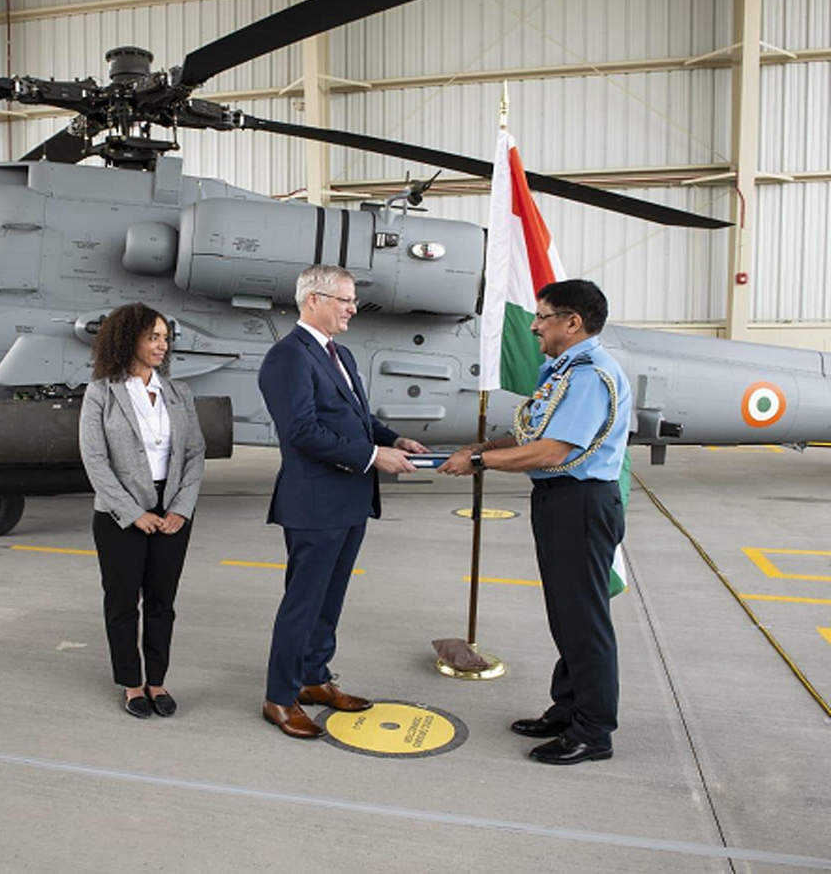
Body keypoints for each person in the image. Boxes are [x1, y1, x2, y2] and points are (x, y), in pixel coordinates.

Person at [440, 279, 631, 764]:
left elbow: (553, 450)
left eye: (543, 316)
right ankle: (567, 709)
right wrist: (484, 448)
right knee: (567, 615)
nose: (533, 326)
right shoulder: (562, 372)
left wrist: (480, 464)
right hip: (561, 503)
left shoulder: (589, 375)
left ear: (573, 322)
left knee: (584, 622)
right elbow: (532, 432)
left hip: (582, 504)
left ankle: (594, 731)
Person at [256, 264, 428, 739]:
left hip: (349, 499)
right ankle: (280, 696)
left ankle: (314, 678)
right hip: (315, 503)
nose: (353, 308)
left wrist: (395, 439)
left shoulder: (340, 354)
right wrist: (375, 456)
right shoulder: (287, 358)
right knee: (303, 604)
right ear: (313, 300)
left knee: (330, 602)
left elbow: (356, 417)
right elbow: (302, 432)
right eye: (345, 299)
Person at [79, 303, 206, 719]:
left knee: (161, 602)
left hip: (172, 511)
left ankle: (158, 681)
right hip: (119, 515)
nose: (161, 345)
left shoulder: (179, 393)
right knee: (121, 603)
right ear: (128, 338)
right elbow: (95, 460)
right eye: (153, 337)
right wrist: (134, 513)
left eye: (165, 338)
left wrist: (181, 509)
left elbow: (194, 454)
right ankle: (132, 684)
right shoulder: (101, 392)